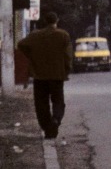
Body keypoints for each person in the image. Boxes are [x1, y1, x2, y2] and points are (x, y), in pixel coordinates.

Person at [17, 12, 72, 140]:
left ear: (45, 21)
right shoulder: (63, 35)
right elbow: (68, 56)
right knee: (58, 101)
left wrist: (32, 56)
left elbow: (21, 44)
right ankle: (55, 120)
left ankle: (47, 128)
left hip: (39, 75)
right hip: (57, 75)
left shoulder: (35, 35)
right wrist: (67, 71)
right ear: (56, 21)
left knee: (41, 103)